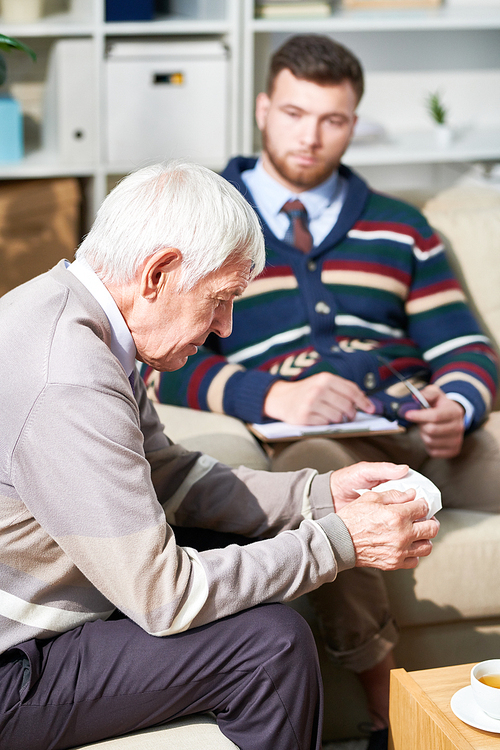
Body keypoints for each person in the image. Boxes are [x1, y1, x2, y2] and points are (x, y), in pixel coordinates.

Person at [0, 160, 439, 750]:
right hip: (12, 670)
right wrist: (341, 541)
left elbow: (166, 472)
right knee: (270, 646)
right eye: (220, 300)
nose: (225, 327)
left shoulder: (80, 316)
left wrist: (319, 495)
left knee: (259, 571)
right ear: (157, 273)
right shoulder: (70, 378)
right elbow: (165, 596)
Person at [141, 36, 500, 746]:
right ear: (264, 108)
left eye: (332, 120)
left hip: (421, 434)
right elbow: (161, 351)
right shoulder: (206, 217)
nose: (310, 137)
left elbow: (462, 345)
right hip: (315, 437)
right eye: (295, 114)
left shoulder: (402, 227)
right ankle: (391, 715)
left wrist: (457, 406)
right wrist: (266, 396)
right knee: (324, 475)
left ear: (354, 122)